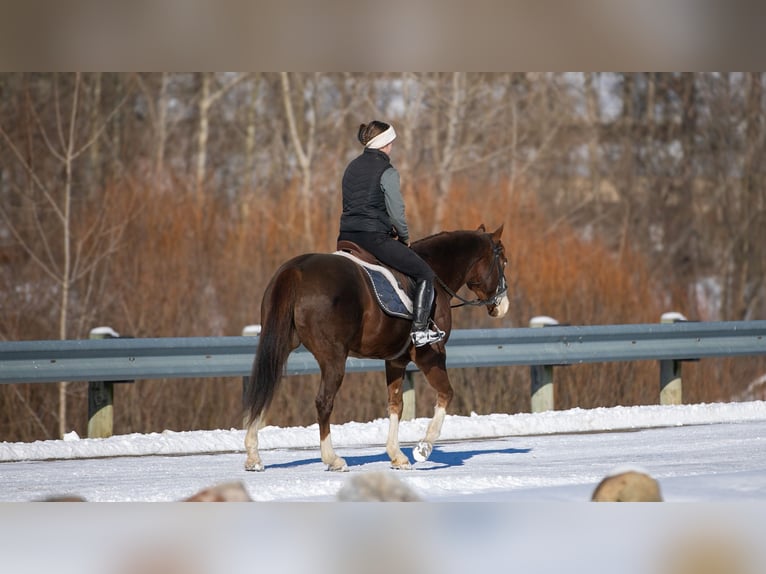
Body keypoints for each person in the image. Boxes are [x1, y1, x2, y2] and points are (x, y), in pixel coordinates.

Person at [338, 120, 445, 347]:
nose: (392, 147)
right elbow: (397, 211)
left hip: (346, 237)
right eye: (391, 142)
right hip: (373, 238)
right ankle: (419, 331)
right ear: (385, 143)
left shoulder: (351, 167)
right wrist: (404, 236)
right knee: (425, 273)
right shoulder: (387, 171)